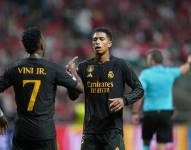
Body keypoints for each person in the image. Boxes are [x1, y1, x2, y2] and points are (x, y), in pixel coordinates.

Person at [0, 27, 83, 150]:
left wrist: (0, 115)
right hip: (45, 133)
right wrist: (73, 73)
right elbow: (79, 89)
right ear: (42, 45)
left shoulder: (15, 69)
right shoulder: (53, 69)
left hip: (22, 132)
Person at [66, 27, 144, 150]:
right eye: (94, 40)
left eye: (101, 39)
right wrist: (72, 77)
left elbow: (139, 89)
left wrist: (124, 100)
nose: (97, 42)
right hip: (90, 132)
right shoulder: (84, 66)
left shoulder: (120, 65)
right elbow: (73, 96)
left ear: (109, 43)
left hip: (113, 130)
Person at [131, 49, 191, 150]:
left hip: (150, 112)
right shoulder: (169, 72)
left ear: (151, 60)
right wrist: (189, 63)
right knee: (161, 143)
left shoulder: (146, 74)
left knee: (146, 141)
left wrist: (135, 112)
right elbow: (183, 69)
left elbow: (139, 94)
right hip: (165, 113)